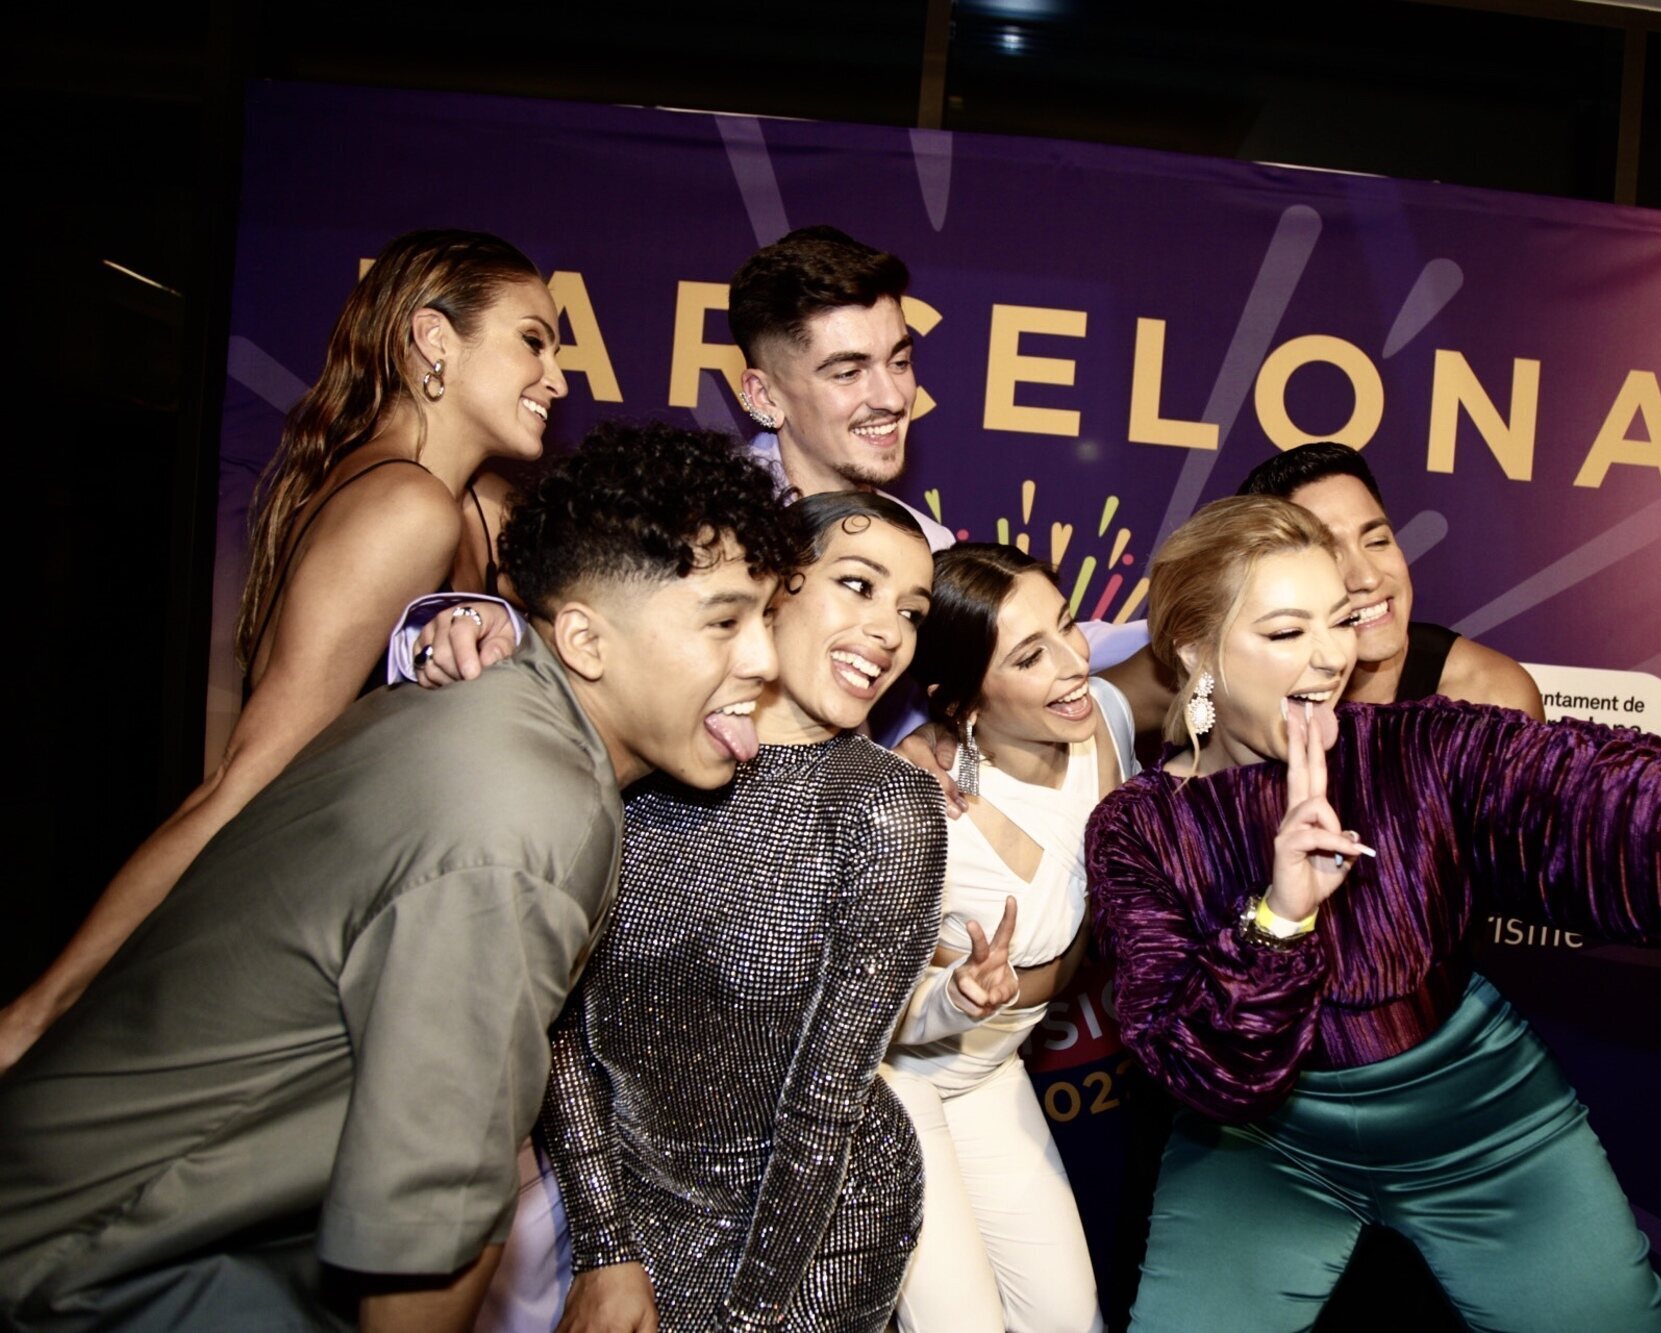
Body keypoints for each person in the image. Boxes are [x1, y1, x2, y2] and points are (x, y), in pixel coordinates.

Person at [1087, 494, 1661, 1333]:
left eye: (1339, 621)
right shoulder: (1138, 829)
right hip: (1265, 1147)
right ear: (1197, 653)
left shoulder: (1422, 750)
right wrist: (1283, 911)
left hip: (1480, 1119)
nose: (1329, 656)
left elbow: (1652, 812)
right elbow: (1198, 1063)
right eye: (1286, 630)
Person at [0, 423, 801, 1332]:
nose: (763, 661)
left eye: (769, 619)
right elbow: (426, 1235)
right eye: (726, 620)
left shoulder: (484, 709)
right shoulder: (525, 812)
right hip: (85, 1274)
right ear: (584, 638)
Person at [0, 228, 565, 1072]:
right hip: (303, 944)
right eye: (533, 342)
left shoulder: (480, 508)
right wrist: (43, 1009)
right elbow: (245, 783)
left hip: (395, 938)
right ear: (433, 338)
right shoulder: (404, 508)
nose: (556, 378)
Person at [531, 491, 947, 1332]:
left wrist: (752, 1317)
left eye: (911, 611)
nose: (891, 631)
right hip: (637, 1202)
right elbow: (555, 1019)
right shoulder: (643, 757)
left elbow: (827, 1097)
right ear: (773, 588)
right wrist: (605, 1245)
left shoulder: (889, 806)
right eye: (860, 585)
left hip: (822, 1224)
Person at [885, 544, 1138, 1333]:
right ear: (961, 698)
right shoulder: (924, 812)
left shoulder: (1106, 722)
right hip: (898, 1086)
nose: (1073, 666)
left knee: (1069, 1319)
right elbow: (874, 1011)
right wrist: (962, 993)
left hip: (994, 1074)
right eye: (1031, 655)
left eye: (1067, 625)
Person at [1101, 441, 1544, 736]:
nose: (1368, 577)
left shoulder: (1487, 698)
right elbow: (1077, 713)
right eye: (1329, 553)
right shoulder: (1211, 669)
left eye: (1377, 540)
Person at [730, 225, 954, 553]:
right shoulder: (700, 532)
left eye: (900, 362)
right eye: (848, 373)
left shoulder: (929, 549)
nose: (892, 398)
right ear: (764, 397)